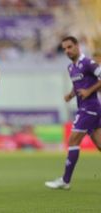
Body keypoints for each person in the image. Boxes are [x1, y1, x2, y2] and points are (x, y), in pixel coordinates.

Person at [45, 36, 101, 189]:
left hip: (90, 108)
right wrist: (71, 95)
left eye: (69, 47)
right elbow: (78, 86)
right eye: (64, 49)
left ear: (77, 46)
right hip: (86, 108)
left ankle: (65, 181)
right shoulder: (71, 68)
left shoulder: (88, 63)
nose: (67, 51)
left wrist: (89, 91)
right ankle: (65, 180)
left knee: (73, 140)